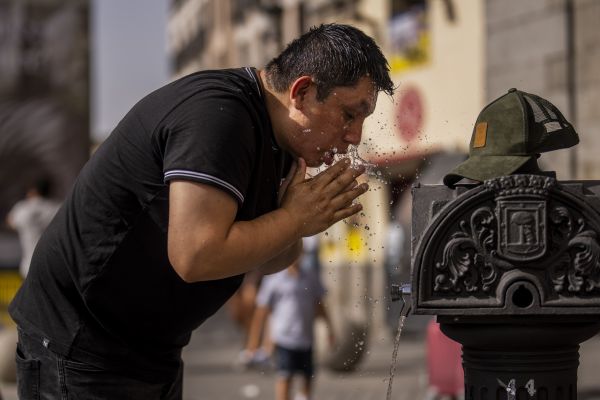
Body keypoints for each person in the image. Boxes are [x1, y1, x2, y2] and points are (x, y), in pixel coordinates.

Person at [9, 23, 394, 398]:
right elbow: (195, 254)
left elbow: (272, 259)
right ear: (303, 91)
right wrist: (294, 219)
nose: (355, 136)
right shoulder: (220, 116)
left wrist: (297, 221)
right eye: (349, 114)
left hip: (148, 349)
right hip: (80, 342)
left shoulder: (283, 143)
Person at [246, 256, 334, 400]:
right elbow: (261, 312)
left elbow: (320, 305)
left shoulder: (310, 275)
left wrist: (330, 329)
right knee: (285, 377)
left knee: (308, 377)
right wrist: (253, 343)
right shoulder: (274, 278)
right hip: (283, 338)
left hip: (306, 338)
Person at [6, 178, 60, 278]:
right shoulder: (58, 208)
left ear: (33, 190)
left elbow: (10, 222)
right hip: (55, 266)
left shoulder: (23, 209)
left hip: (29, 266)